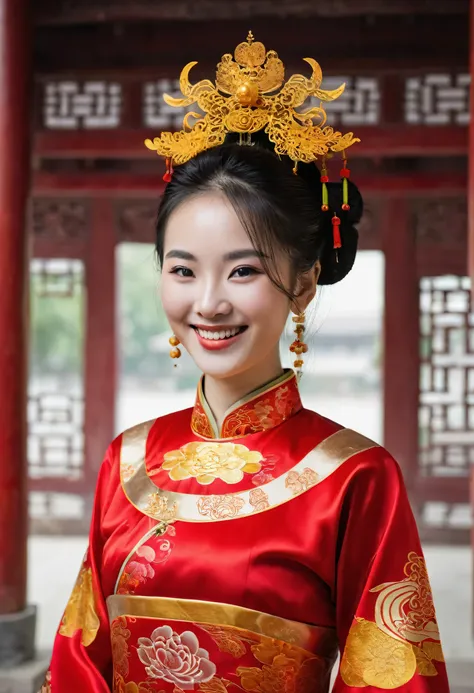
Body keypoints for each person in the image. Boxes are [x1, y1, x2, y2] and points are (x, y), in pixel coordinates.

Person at [42, 34, 449, 693]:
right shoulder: (130, 460)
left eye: (243, 270)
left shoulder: (355, 478)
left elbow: (391, 677)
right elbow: (78, 661)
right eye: (182, 270)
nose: (208, 303)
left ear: (306, 280)